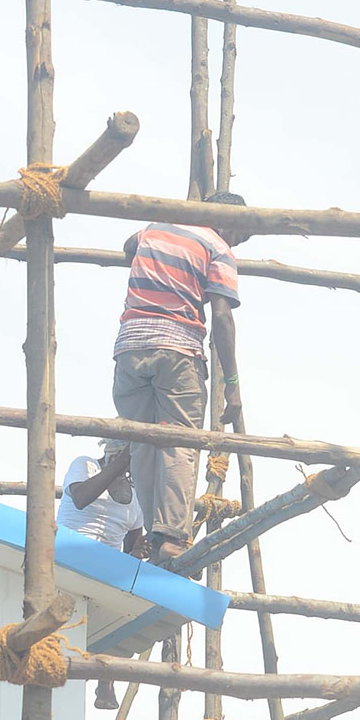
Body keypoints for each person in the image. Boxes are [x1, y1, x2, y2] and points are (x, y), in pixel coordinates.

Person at [112, 191, 249, 569]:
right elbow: (221, 316)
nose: (236, 244)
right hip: (178, 348)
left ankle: (157, 532)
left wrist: (156, 269)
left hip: (130, 347)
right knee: (179, 441)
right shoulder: (218, 246)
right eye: (240, 236)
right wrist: (232, 382)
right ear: (230, 222)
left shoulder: (157, 227)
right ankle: (172, 537)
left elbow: (128, 247)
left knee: (143, 443)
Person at [55, 439, 146, 710]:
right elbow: (81, 499)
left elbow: (132, 548)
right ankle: (103, 677)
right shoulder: (85, 466)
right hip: (70, 555)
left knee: (122, 601)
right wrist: (120, 463)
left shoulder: (136, 494)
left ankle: (105, 675)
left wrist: (140, 551)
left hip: (106, 570)